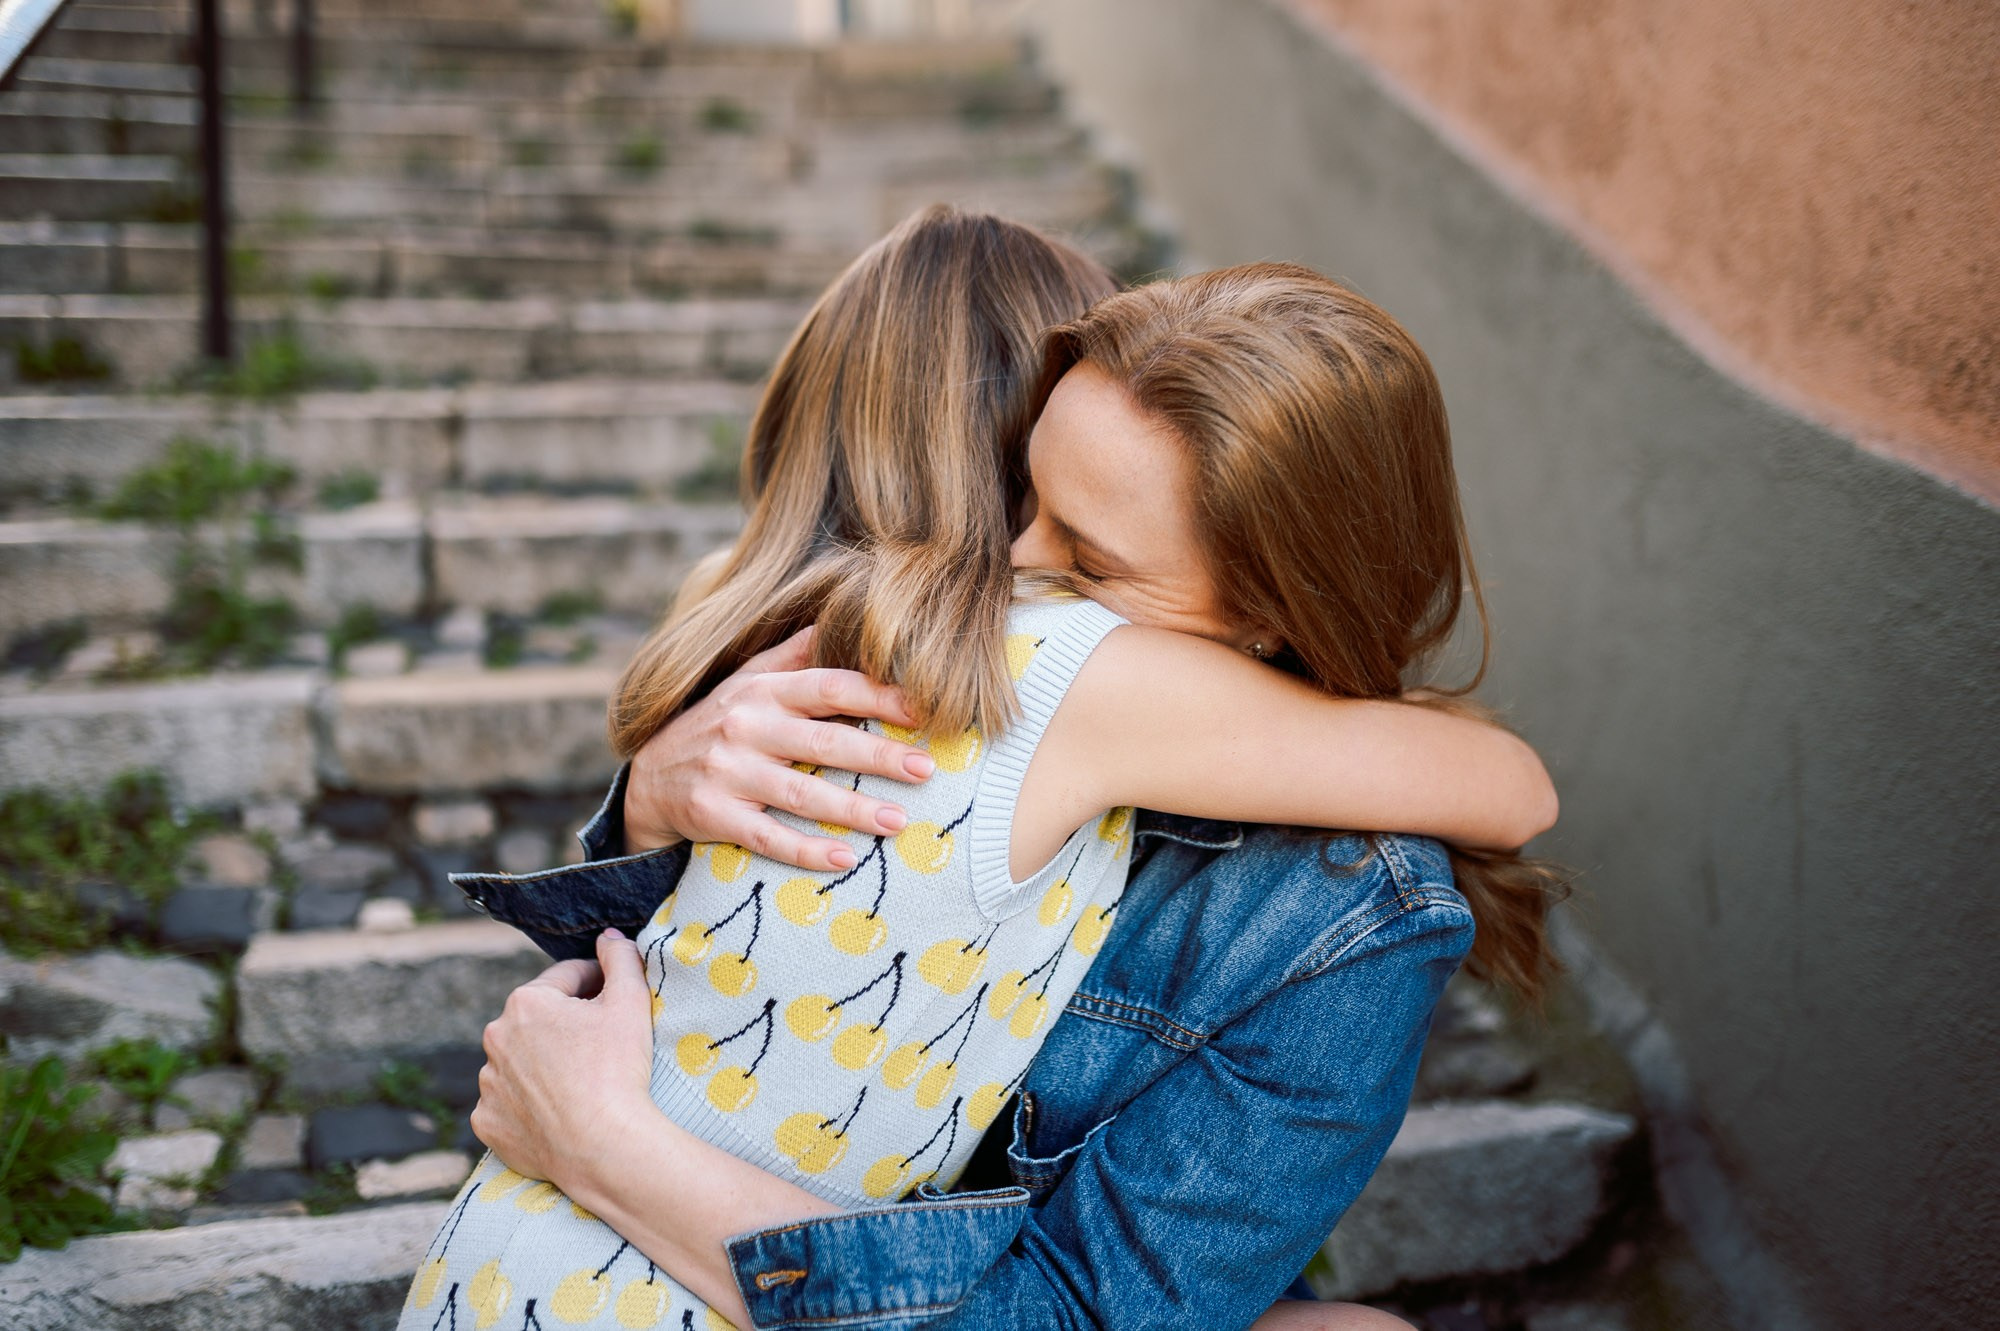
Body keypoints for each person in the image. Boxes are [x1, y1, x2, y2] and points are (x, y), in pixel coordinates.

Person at [451, 248, 1562, 1330]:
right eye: (1022, 491)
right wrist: (652, 798)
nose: (1012, 560)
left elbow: (1073, 1307)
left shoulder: (1317, 885)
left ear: (1273, 606)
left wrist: (604, 1144)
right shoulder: (1035, 661)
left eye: (1089, 553)